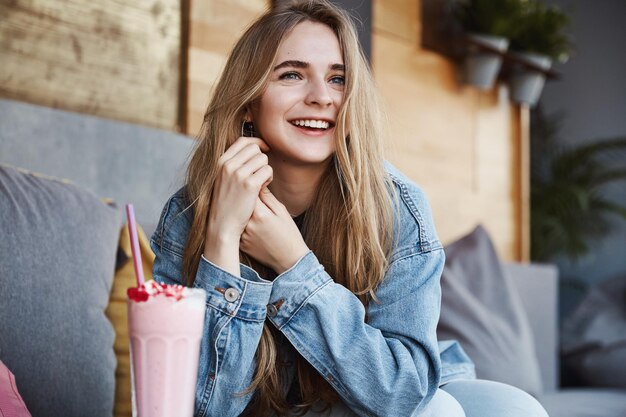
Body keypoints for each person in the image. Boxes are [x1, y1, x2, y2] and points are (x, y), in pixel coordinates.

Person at [151, 1, 550, 416]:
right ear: (249, 103)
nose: (322, 97)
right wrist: (222, 238)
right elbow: (202, 408)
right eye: (292, 74)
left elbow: (401, 391)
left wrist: (293, 264)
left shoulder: (397, 206)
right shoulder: (189, 214)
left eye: (338, 79)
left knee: (514, 408)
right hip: (276, 407)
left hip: (379, 389)